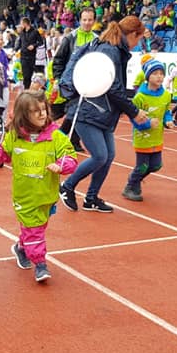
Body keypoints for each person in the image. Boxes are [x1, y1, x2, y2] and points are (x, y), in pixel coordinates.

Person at [58, 16, 151, 213]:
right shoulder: (111, 50)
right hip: (89, 110)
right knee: (100, 156)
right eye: (139, 39)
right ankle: (67, 186)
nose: (137, 44)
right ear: (132, 34)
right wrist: (134, 112)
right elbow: (114, 88)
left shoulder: (114, 48)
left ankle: (91, 198)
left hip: (102, 111)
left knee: (108, 156)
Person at [0, 91, 77, 282]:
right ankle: (40, 264)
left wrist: (61, 165)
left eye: (44, 109)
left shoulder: (56, 136)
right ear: (24, 114)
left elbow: (70, 157)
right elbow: (4, 154)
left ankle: (21, 247)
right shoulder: (15, 136)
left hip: (46, 195)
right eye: (36, 111)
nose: (42, 114)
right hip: (24, 197)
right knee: (34, 231)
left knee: (37, 227)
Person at [122, 60, 174, 202]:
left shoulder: (166, 95)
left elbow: (167, 111)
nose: (159, 76)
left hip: (157, 137)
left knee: (156, 165)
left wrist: (168, 120)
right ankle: (130, 186)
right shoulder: (140, 97)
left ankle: (135, 180)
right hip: (142, 137)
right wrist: (147, 124)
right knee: (143, 166)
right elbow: (133, 117)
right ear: (148, 76)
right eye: (155, 73)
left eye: (161, 73)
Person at [51, 7, 97, 152]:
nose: (87, 23)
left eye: (90, 20)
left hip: (88, 83)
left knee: (80, 111)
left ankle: (72, 140)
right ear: (79, 20)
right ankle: (50, 134)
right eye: (84, 20)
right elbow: (59, 59)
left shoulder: (97, 39)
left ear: (94, 21)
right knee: (64, 111)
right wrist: (58, 78)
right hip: (69, 82)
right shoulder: (70, 38)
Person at [15, 17, 44, 90]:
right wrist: (15, 50)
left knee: (29, 74)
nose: (20, 25)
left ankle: (28, 89)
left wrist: (33, 45)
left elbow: (41, 42)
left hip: (31, 56)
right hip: (23, 56)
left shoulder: (35, 31)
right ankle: (26, 89)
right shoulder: (22, 33)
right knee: (25, 75)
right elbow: (20, 43)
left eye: (21, 23)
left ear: (25, 23)